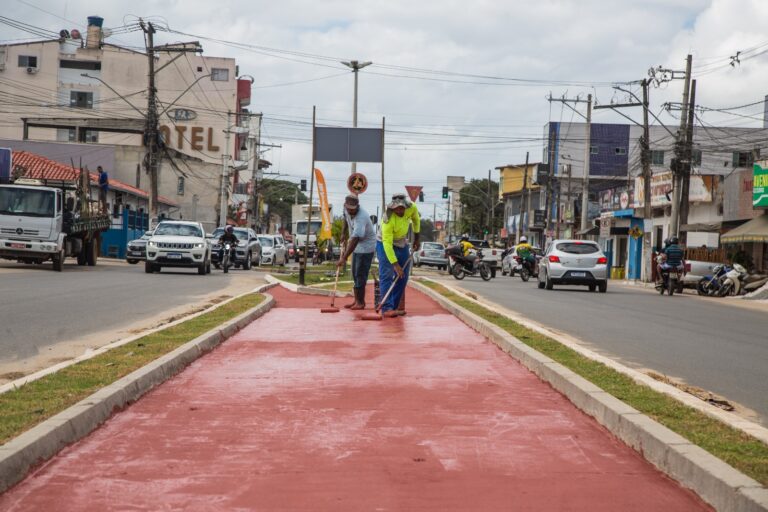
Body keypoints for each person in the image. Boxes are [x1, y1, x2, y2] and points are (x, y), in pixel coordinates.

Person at [377, 196, 414, 318]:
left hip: (401, 242)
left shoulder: (410, 209)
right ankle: (386, 308)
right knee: (386, 275)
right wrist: (395, 264)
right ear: (392, 208)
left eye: (401, 208)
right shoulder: (387, 220)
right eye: (396, 209)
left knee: (403, 275)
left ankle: (394, 306)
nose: (399, 211)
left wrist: (417, 237)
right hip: (384, 243)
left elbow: (416, 220)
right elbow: (387, 243)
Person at [337, 194, 376, 310]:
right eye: (348, 209)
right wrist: (343, 233)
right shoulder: (346, 210)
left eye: (353, 209)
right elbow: (345, 217)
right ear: (345, 206)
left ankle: (361, 302)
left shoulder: (361, 217)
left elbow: (355, 239)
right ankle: (356, 300)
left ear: (357, 206)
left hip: (366, 246)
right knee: (355, 273)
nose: (350, 211)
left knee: (360, 274)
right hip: (357, 245)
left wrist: (343, 258)